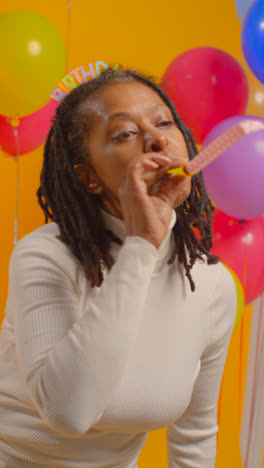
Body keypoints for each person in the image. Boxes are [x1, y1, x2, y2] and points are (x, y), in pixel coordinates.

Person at [0, 68, 237, 467]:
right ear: (88, 177)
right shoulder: (44, 256)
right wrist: (141, 244)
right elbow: (69, 413)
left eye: (164, 122)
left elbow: (195, 437)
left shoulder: (211, 285)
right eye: (125, 133)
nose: (158, 139)